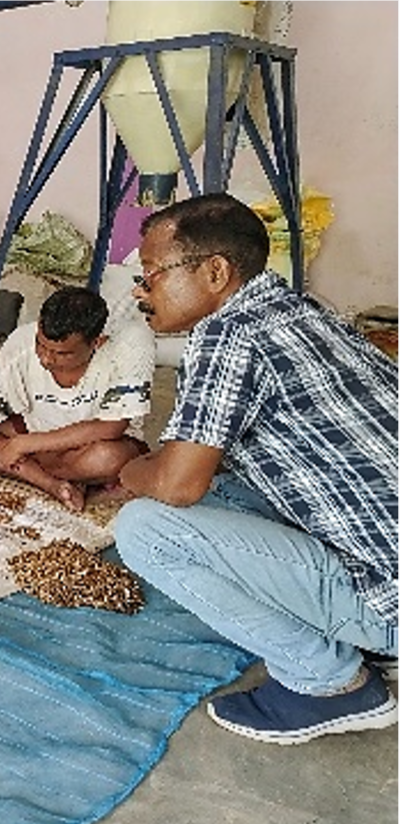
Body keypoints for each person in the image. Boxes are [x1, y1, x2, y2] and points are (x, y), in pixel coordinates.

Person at [113, 191, 400, 744]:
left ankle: (329, 683)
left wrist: (131, 470)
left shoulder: (228, 335)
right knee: (224, 488)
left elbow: (175, 484)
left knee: (146, 529)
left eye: (151, 274)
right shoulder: (303, 309)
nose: (140, 291)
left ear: (215, 272)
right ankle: (370, 642)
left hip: (390, 595)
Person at [0, 284, 155, 510]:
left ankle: (22, 469)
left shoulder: (130, 345)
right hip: (34, 438)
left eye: (61, 353)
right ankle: (52, 484)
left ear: (96, 343)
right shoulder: (20, 343)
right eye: (41, 345)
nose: (46, 359)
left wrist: (25, 445)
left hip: (87, 447)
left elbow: (111, 427)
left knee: (109, 459)